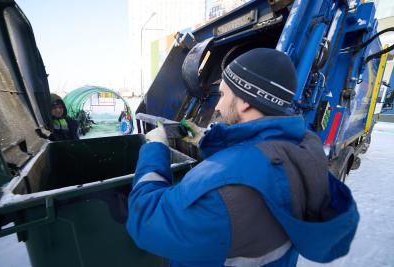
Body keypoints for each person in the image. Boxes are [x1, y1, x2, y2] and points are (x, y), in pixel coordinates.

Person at [127, 48, 359, 266]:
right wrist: (204, 140)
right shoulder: (302, 150)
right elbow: (254, 157)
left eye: (223, 94)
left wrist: (154, 149)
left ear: (246, 101)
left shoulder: (226, 192)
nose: (217, 106)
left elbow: (146, 220)